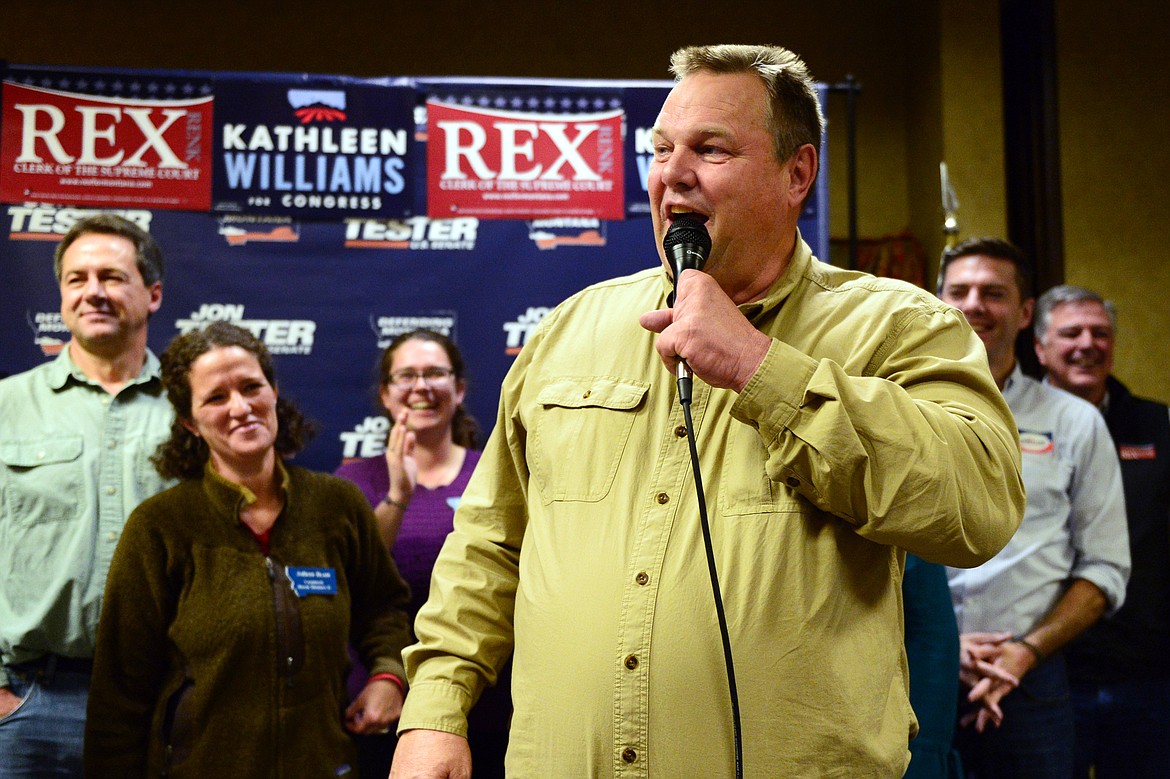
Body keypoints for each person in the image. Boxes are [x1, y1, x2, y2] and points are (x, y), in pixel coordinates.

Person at [390, 44, 1024, 778]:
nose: (672, 173)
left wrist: (762, 369)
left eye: (710, 148)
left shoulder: (896, 326)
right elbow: (491, 543)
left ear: (798, 174)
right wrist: (435, 709)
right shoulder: (569, 331)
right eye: (660, 149)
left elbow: (980, 503)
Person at [82, 322, 413, 777]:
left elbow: (384, 610)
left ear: (273, 391)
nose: (240, 407)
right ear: (189, 423)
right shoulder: (160, 527)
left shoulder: (337, 505)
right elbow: (118, 695)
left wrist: (388, 675)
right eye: (216, 398)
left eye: (251, 387)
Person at [937, 239, 1130, 778]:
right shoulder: (895, 405)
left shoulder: (1075, 422)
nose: (975, 304)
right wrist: (938, 642)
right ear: (938, 301)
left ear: (1024, 313)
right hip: (919, 669)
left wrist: (1023, 652)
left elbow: (1105, 568)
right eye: (961, 291)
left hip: (1031, 679)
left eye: (994, 293)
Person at [0, 214, 173, 776]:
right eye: (77, 279)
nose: (93, 291)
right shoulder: (8, 406)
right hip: (30, 703)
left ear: (152, 294)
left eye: (111, 276)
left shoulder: (197, 411)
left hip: (162, 701)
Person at [335, 330, 508, 779]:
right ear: (386, 395)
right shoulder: (353, 480)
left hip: (485, 699)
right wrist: (398, 494)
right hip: (382, 698)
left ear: (460, 388)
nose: (421, 386)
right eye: (407, 375)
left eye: (435, 373)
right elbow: (350, 580)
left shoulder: (492, 471)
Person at [1034, 285, 1170, 778]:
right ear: (1040, 347)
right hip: (1046, 669)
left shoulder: (1158, 425)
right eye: (1071, 333)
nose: (1087, 343)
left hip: (1146, 675)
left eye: (1101, 333)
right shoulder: (1008, 422)